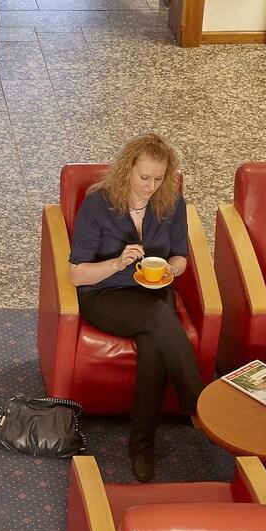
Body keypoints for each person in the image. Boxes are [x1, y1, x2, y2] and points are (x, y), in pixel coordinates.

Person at [66, 133, 205, 481]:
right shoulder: (98, 204)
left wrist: (172, 269)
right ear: (127, 169)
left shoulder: (171, 202)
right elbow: (77, 274)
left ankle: (141, 447)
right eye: (144, 177)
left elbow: (180, 256)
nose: (150, 186)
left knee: (154, 346)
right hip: (105, 293)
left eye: (158, 179)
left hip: (153, 290)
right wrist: (116, 263)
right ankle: (199, 404)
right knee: (160, 317)